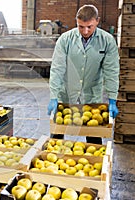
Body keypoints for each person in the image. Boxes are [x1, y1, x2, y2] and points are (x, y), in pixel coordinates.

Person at [47, 4, 119, 144]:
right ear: (76, 22)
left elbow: (111, 72)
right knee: (57, 134)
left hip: (91, 94)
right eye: (81, 27)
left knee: (93, 135)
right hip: (66, 92)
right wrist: (54, 96)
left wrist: (112, 98)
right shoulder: (65, 40)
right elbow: (57, 69)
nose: (85, 31)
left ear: (97, 21)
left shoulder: (108, 41)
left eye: (89, 27)